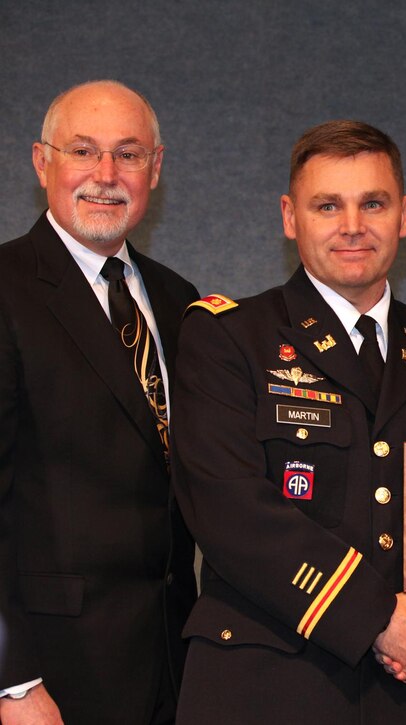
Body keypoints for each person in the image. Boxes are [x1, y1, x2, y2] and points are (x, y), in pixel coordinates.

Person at [170, 120, 406, 723]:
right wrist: (376, 618)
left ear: (403, 215)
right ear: (289, 216)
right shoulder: (227, 337)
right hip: (269, 690)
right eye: (327, 205)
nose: (352, 225)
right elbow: (229, 510)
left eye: (373, 203)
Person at [0, 81, 198, 724]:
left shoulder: (178, 300)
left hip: (173, 664)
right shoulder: (5, 289)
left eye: (129, 154)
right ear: (41, 161)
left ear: (157, 167)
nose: (106, 176)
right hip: (49, 677)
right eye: (83, 151)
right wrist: (12, 682)